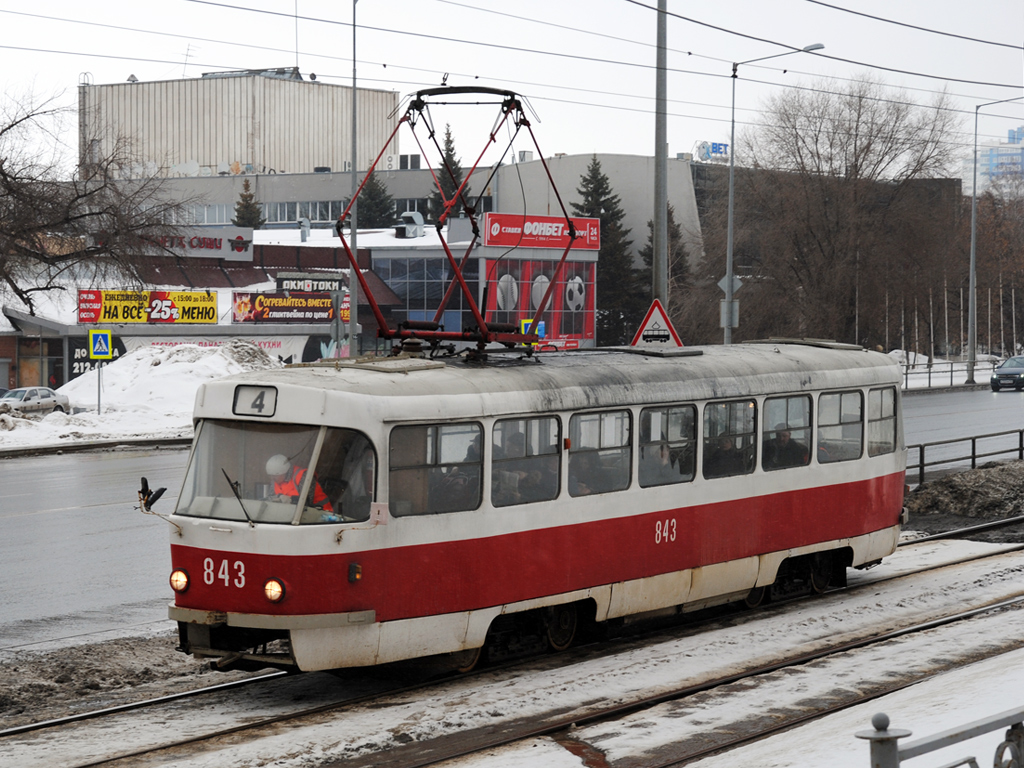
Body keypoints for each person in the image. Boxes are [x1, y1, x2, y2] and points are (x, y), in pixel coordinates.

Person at [265, 454, 333, 511]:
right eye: (270, 475)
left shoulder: (303, 476)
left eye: (275, 476)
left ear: (284, 472)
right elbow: (270, 498)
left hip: (321, 512)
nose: (272, 478)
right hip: (293, 513)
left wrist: (290, 500)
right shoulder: (275, 481)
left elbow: (307, 501)